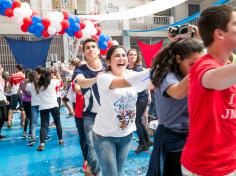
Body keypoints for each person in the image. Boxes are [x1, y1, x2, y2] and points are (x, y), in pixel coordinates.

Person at [181, 5, 236, 176]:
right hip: (207, 168)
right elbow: (213, 79)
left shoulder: (227, 67)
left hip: (229, 163)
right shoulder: (203, 66)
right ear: (219, 33)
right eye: (235, 24)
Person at [146, 38, 203, 176]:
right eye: (191, 64)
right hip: (172, 136)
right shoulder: (167, 74)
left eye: (198, 63)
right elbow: (177, 93)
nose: (195, 67)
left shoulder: (188, 74)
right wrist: (200, 68)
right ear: (178, 59)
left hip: (192, 134)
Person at [93, 45, 151, 176]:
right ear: (108, 61)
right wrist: (153, 70)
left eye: (123, 55)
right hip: (104, 135)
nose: (122, 58)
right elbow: (126, 82)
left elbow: (150, 82)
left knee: (117, 173)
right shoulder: (103, 77)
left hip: (126, 135)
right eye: (117, 55)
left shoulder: (132, 74)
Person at [74, 38, 106, 176]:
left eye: (93, 46)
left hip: (109, 114)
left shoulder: (107, 66)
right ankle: (96, 172)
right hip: (90, 115)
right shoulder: (81, 69)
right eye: (87, 47)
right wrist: (96, 79)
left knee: (110, 145)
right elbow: (80, 83)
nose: (91, 49)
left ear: (98, 50)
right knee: (92, 146)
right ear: (84, 52)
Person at [127, 48, 153, 153]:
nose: (132, 56)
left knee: (136, 121)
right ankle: (147, 140)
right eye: (130, 55)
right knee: (138, 120)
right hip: (132, 98)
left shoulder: (140, 69)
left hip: (141, 98)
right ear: (127, 56)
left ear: (137, 57)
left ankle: (143, 144)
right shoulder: (126, 69)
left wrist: (149, 95)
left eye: (134, 55)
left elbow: (147, 83)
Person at [37, 68, 64, 151]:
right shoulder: (54, 81)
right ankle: (60, 140)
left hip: (43, 106)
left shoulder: (39, 83)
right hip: (54, 105)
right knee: (57, 122)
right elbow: (61, 81)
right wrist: (56, 72)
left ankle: (42, 143)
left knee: (44, 125)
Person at [0, 65, 8, 139]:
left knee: (4, 117)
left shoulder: (3, 79)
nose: (0, 68)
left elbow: (2, 91)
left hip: (2, 100)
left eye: (1, 67)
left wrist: (5, 99)